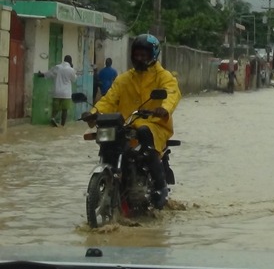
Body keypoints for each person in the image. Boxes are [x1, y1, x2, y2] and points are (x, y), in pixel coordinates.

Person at [82, 34, 181, 209]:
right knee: (109, 141)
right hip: (126, 125)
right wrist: (93, 113)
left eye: (144, 55)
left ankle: (160, 187)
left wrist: (164, 109)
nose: (139, 58)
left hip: (155, 124)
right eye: (137, 55)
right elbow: (109, 99)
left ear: (153, 55)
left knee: (144, 131)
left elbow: (172, 93)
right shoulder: (124, 78)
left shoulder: (163, 76)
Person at [38, 55, 77, 127]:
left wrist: (42, 74)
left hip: (57, 92)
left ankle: (53, 118)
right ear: (70, 61)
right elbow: (74, 79)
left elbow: (49, 73)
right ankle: (62, 125)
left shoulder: (58, 67)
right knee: (64, 110)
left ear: (64, 60)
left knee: (55, 108)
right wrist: (72, 68)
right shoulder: (71, 70)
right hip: (66, 93)